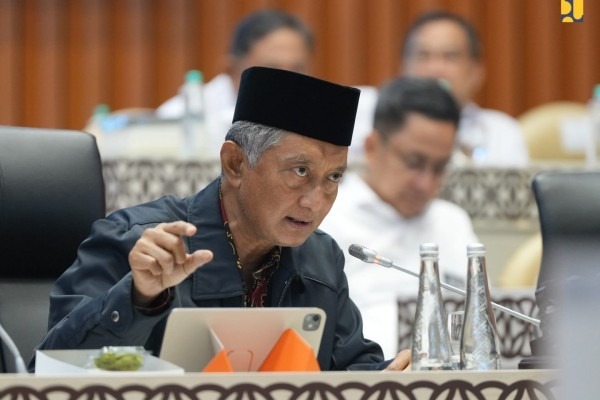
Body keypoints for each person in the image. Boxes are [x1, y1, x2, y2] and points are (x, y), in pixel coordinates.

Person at [31, 67, 411, 372]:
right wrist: (138, 297)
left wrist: (390, 377)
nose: (315, 202)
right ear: (235, 163)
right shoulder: (138, 242)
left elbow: (349, 369)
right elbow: (49, 371)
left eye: (333, 177)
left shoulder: (321, 259)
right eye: (299, 172)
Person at [319, 76, 479, 359]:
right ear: (372, 147)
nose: (426, 184)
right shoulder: (325, 217)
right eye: (414, 163)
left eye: (440, 167)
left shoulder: (452, 221)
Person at [351, 10, 529, 167]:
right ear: (403, 67)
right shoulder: (360, 110)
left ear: (476, 71)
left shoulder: (501, 133)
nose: (435, 69)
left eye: (450, 57)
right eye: (423, 56)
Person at [155, 9, 314, 157]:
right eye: (271, 71)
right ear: (231, 70)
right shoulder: (177, 120)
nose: (287, 82)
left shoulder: (316, 119)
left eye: (297, 70)